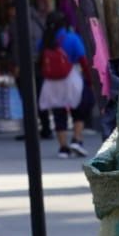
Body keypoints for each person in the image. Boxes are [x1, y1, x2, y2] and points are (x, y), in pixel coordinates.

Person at [38, 12, 89, 158]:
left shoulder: (45, 40)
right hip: (70, 78)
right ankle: (77, 139)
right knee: (79, 109)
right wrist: (89, 79)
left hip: (51, 83)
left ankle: (63, 148)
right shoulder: (72, 38)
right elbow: (83, 60)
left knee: (58, 112)